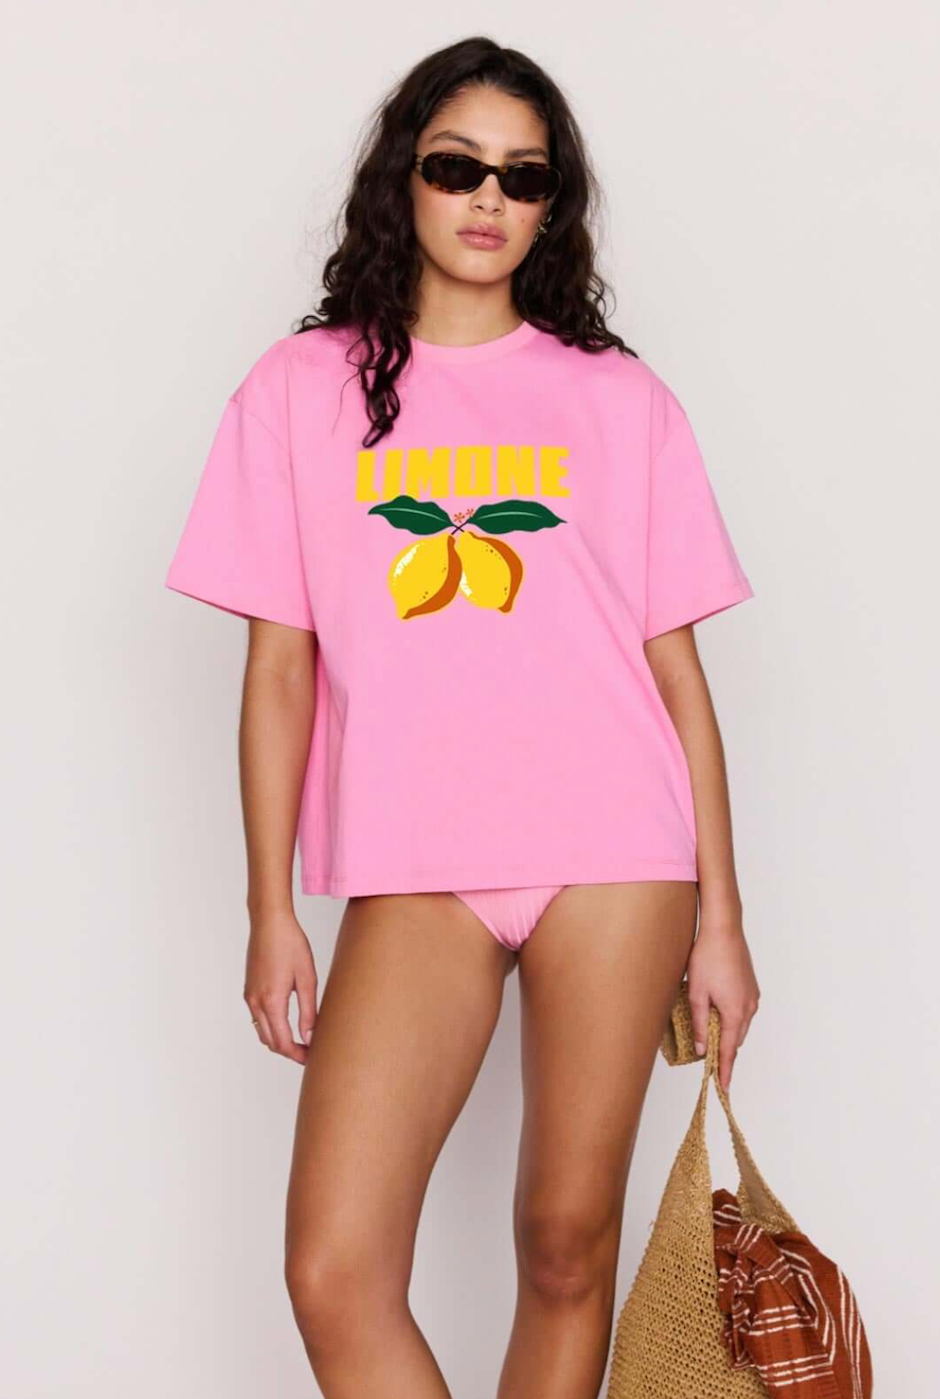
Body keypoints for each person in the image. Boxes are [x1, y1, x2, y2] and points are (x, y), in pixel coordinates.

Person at [164, 35, 761, 1399]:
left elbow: (677, 673)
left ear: (552, 206)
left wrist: (723, 919)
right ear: (405, 180)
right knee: (334, 1269)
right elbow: (278, 671)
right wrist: (270, 908)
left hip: (616, 847)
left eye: (524, 176)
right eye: (457, 167)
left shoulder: (620, 401)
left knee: (564, 1245)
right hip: (416, 860)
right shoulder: (300, 390)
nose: (490, 197)